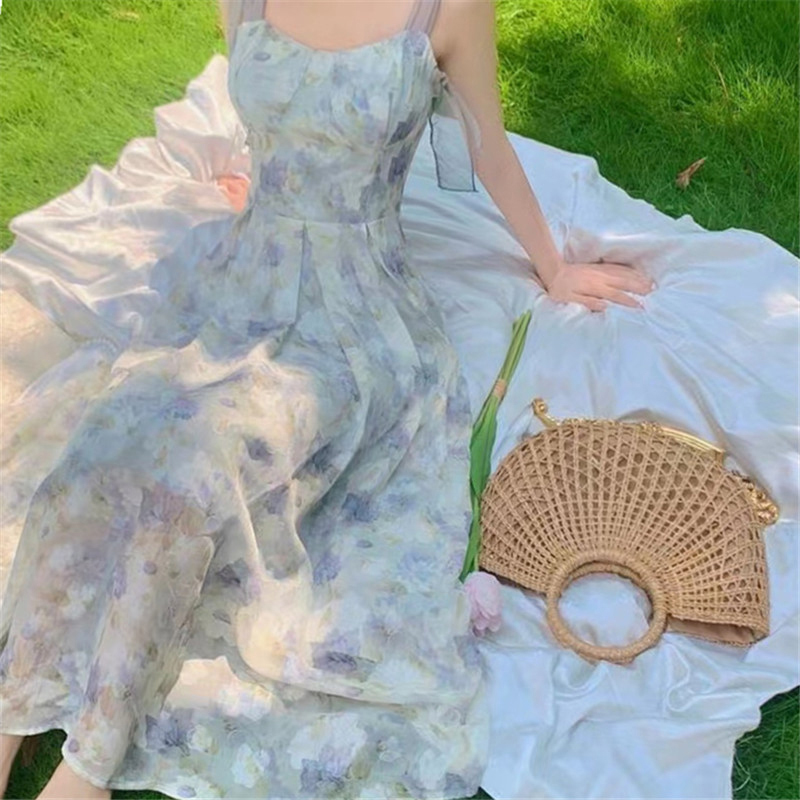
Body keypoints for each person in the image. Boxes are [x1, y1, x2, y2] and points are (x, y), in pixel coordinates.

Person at [1, 1, 797, 799]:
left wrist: (554, 267)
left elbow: (487, 149)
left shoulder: (447, 8)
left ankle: (87, 763)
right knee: (99, 455)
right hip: (239, 279)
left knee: (201, 475)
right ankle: (10, 710)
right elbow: (271, 115)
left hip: (352, 316)